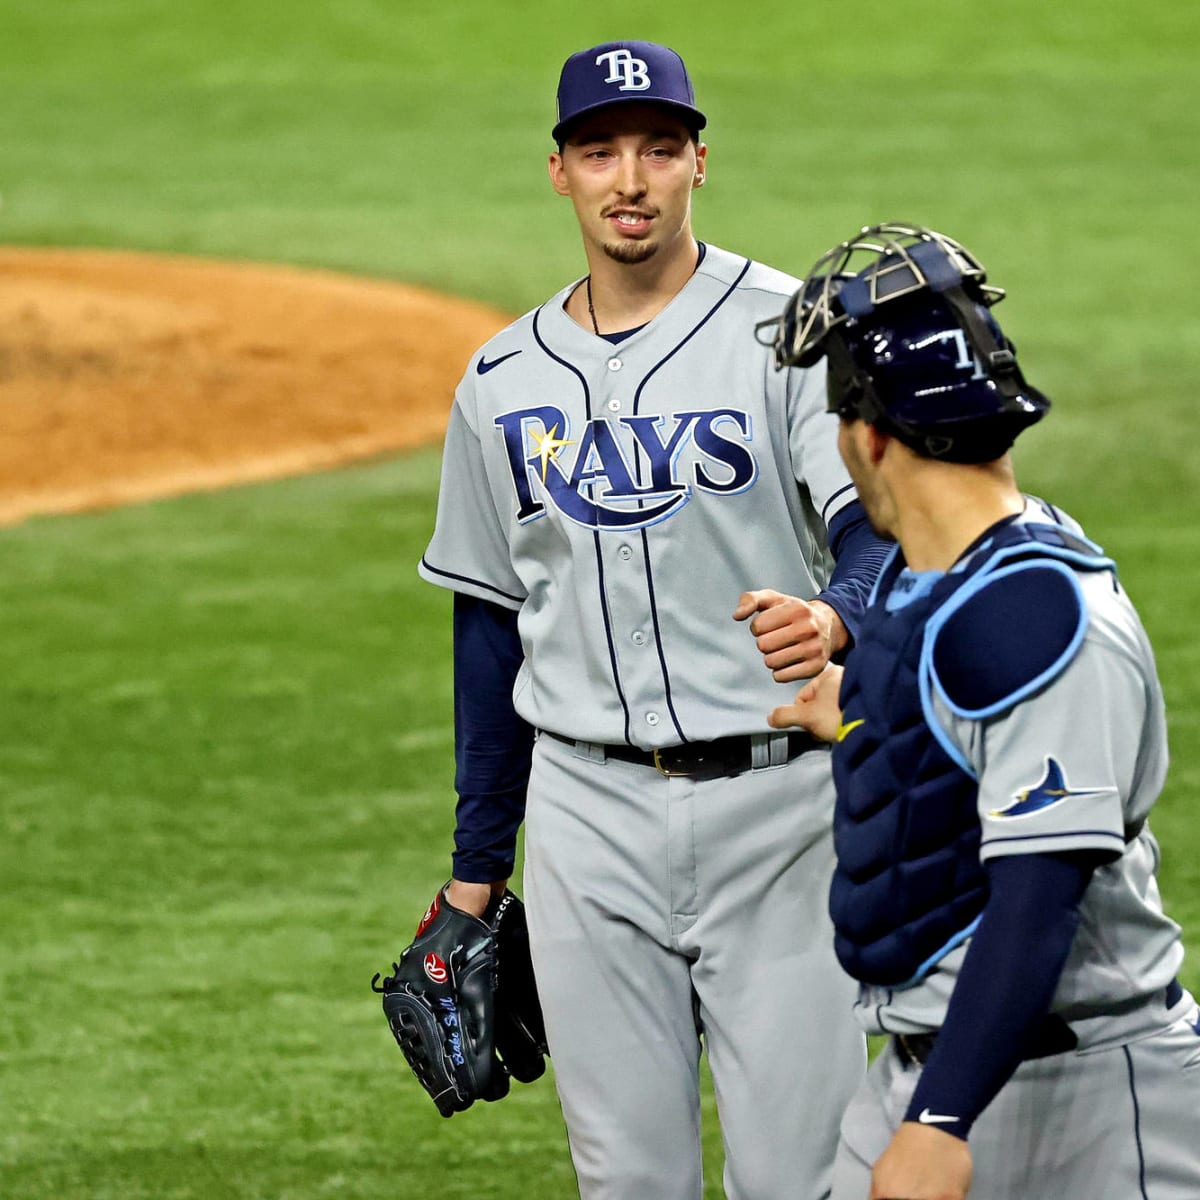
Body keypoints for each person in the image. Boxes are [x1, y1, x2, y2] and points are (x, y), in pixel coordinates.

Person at [412, 40, 891, 1200]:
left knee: (803, 1177)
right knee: (625, 1182)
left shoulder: (790, 330)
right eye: (601, 151)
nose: (631, 179)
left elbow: (882, 539)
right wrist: (478, 872)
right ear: (559, 172)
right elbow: (491, 633)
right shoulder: (499, 381)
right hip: (585, 823)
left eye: (658, 151)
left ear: (699, 164)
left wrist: (835, 616)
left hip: (778, 813)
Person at [753, 221, 1200, 1200]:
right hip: (933, 1064)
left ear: (868, 435)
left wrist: (941, 1124)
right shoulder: (946, 566)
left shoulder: (1034, 611)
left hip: (1077, 1097)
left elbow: (1041, 893)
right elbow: (959, 743)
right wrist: (859, 721)